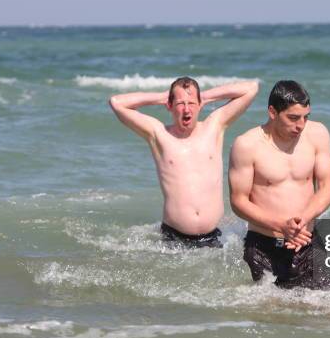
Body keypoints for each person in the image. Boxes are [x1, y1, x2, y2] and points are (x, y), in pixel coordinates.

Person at [109, 77, 259, 247]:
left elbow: (251, 88)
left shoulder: (214, 126)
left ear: (199, 104)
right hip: (173, 238)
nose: (187, 109)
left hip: (214, 236)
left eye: (192, 103)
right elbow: (117, 102)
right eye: (180, 103)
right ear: (170, 106)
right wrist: (162, 97)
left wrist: (205, 97)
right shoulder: (158, 134)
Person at [228, 80, 330, 288]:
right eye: (293, 118)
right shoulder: (247, 145)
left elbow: (327, 186)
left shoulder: (318, 134)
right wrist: (281, 226)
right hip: (264, 248)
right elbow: (238, 201)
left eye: (306, 117)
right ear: (272, 112)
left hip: (306, 242)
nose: (301, 125)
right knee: (274, 314)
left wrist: (303, 220)